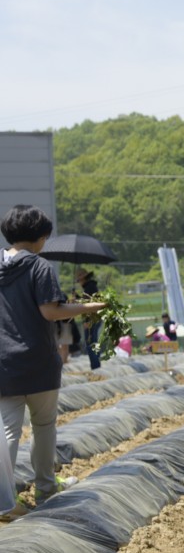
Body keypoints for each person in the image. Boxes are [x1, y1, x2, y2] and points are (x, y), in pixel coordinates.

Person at [0, 206, 106, 514]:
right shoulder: (38, 267)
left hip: (3, 363)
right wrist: (90, 307)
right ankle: (46, 488)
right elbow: (51, 311)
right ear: (41, 237)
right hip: (37, 360)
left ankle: (4, 502)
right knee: (43, 425)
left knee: (8, 431)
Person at [75, 267, 102, 370]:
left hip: (91, 319)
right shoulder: (91, 286)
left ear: (83, 278)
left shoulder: (89, 287)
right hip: (96, 317)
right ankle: (97, 366)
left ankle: (95, 367)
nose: (79, 282)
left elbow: (87, 306)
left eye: (79, 279)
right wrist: (77, 297)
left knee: (90, 343)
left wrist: (87, 321)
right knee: (93, 342)